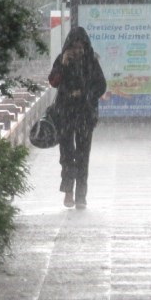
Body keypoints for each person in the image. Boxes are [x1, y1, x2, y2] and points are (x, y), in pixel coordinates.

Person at [48, 26, 107, 209]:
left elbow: (101, 85)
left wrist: (87, 95)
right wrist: (63, 66)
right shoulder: (62, 60)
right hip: (65, 114)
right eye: (74, 47)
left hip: (85, 115)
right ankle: (68, 192)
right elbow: (53, 82)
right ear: (68, 47)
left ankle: (81, 195)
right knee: (67, 155)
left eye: (81, 47)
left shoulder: (91, 61)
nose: (78, 51)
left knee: (82, 156)